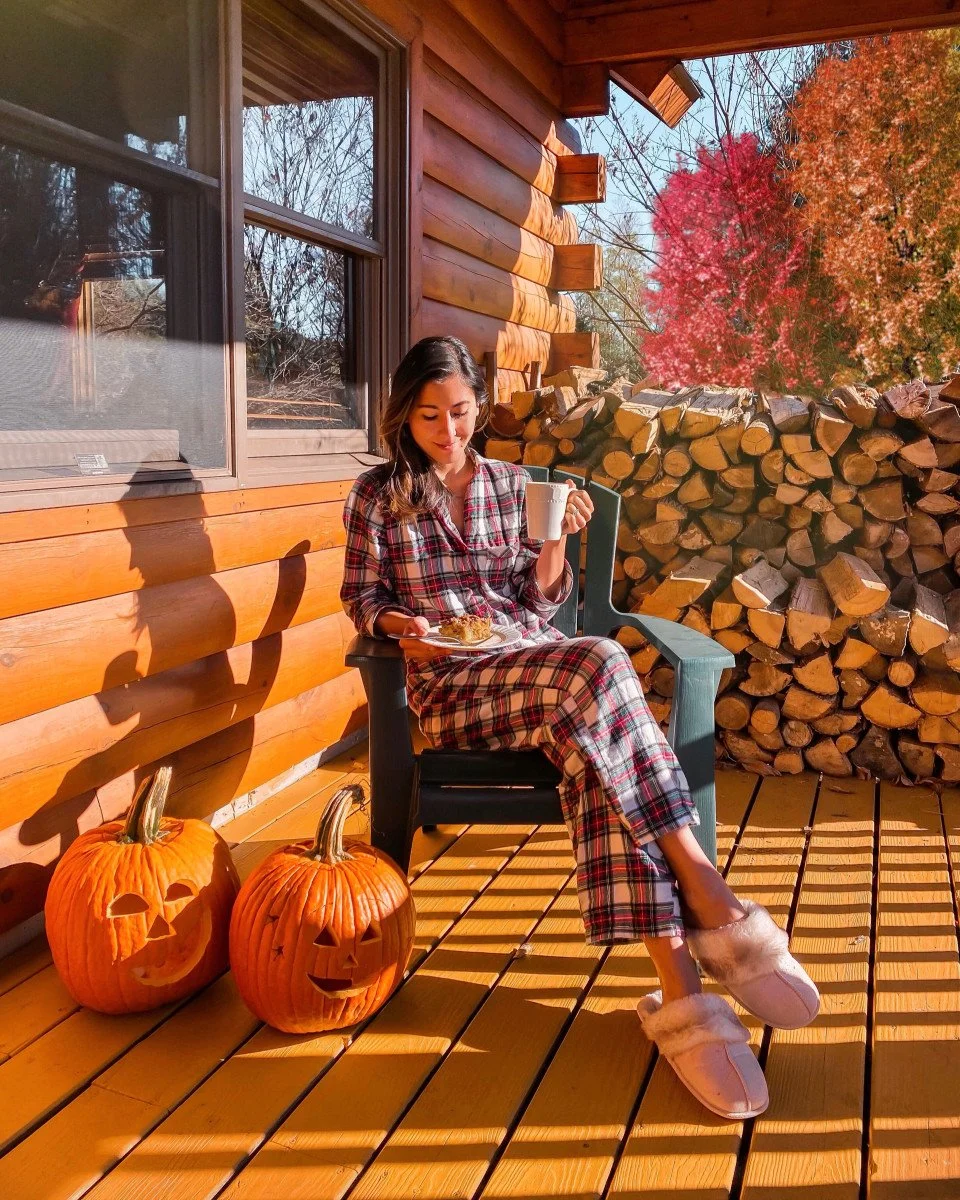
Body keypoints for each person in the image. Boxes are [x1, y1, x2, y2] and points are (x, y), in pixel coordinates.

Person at [340, 335, 819, 1119]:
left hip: (537, 673)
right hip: (453, 687)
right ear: (404, 415)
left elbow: (538, 601)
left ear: (478, 406)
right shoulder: (377, 496)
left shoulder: (509, 485)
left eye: (460, 412)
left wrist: (556, 534)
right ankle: (708, 892)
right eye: (429, 416)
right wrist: (405, 629)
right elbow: (362, 599)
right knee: (598, 662)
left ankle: (682, 991)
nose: (448, 431)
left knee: (595, 757)